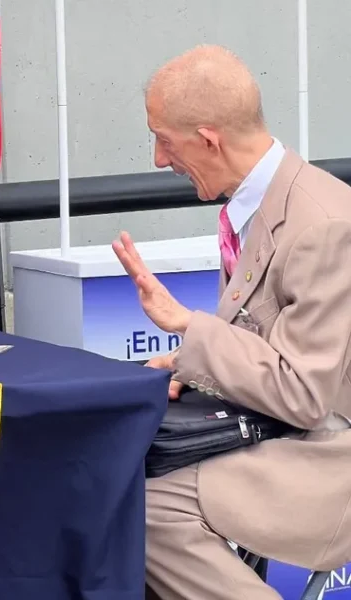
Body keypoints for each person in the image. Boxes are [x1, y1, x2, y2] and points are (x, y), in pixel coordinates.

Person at [112, 45, 351, 600]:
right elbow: (270, 348)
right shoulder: (263, 205)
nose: (158, 159)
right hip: (285, 437)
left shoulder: (321, 225)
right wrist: (186, 363)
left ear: (208, 139)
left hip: (328, 459)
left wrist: (189, 327)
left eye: (164, 140)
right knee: (115, 476)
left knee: (141, 507)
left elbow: (302, 392)